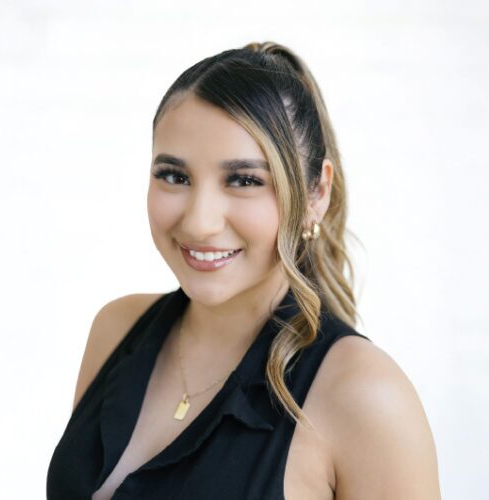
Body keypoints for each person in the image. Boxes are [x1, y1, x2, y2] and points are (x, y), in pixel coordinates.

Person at [46, 42, 441, 499]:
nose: (199, 222)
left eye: (245, 180)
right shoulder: (116, 329)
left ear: (316, 194)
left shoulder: (365, 396)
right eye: (174, 176)